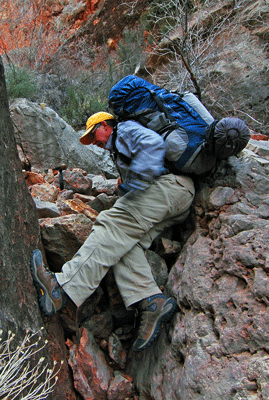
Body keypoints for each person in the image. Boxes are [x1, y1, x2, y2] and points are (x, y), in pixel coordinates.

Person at [30, 111, 195, 352]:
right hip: (178, 196)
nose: (94, 142)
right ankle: (150, 301)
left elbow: (153, 145)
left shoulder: (124, 129)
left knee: (111, 223)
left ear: (105, 125)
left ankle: (62, 288)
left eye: (94, 135)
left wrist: (132, 186)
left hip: (170, 188)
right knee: (124, 243)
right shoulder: (119, 147)